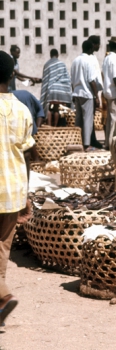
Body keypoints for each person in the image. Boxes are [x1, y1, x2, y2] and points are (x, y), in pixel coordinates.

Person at [0, 50, 35, 326]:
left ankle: (3, 295)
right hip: (12, 190)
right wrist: (25, 193)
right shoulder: (22, 111)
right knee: (2, 246)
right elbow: (27, 155)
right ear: (12, 75)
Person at [70, 40, 101, 150]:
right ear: (90, 49)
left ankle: (78, 142)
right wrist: (97, 96)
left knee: (78, 119)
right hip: (87, 93)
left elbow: (72, 79)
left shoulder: (75, 61)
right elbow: (92, 80)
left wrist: (73, 93)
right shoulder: (89, 61)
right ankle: (87, 145)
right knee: (88, 119)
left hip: (77, 92)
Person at [40, 49, 72, 126]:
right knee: (56, 108)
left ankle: (49, 126)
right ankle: (55, 127)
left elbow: (45, 78)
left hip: (50, 90)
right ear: (57, 55)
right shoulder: (62, 64)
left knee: (49, 108)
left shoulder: (47, 64)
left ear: (50, 55)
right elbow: (66, 78)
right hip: (59, 90)